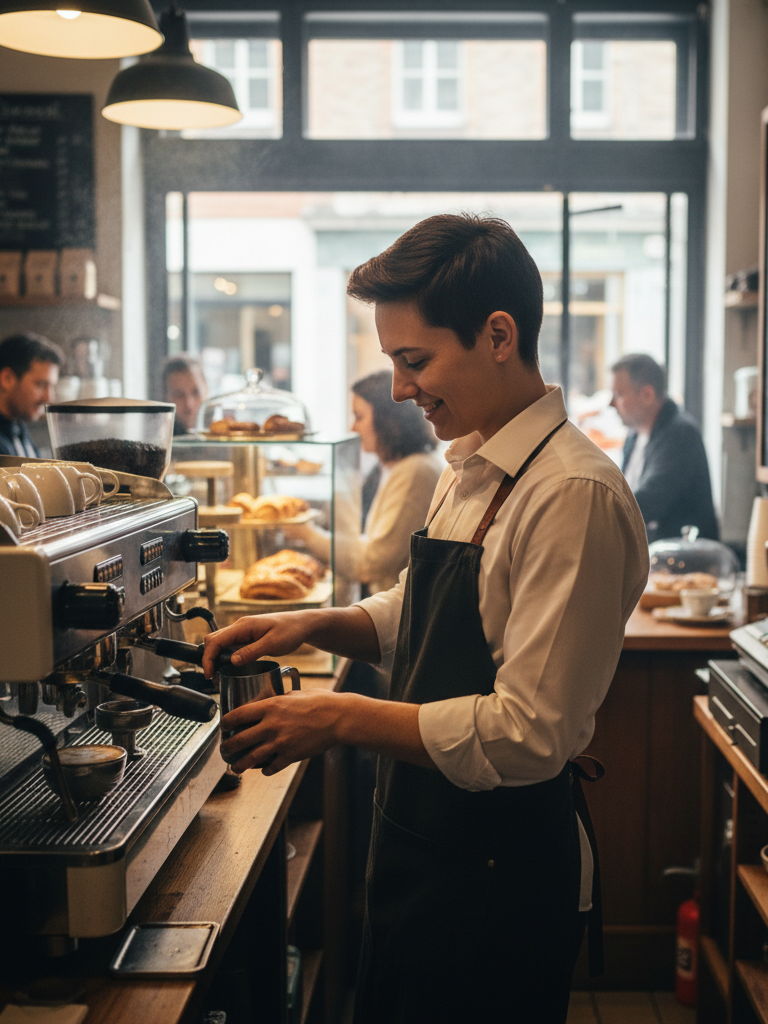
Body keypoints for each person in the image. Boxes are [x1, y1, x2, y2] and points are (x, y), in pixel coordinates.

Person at [201, 214, 648, 1024]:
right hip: (426, 850)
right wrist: (313, 625)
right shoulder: (472, 466)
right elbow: (425, 607)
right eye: (395, 364)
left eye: (416, 361)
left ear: (499, 334)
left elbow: (528, 734)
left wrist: (338, 715)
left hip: (497, 880)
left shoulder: (571, 496)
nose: (403, 389)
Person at [290, 369, 442, 596]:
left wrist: (307, 534)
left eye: (359, 417)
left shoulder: (416, 471)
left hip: (396, 614)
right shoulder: (393, 466)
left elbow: (370, 563)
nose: (353, 428)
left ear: (387, 419)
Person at [610, 352, 719, 543]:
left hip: (684, 559)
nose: (611, 404)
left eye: (618, 395)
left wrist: (598, 514)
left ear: (647, 395)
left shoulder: (680, 434)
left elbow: (648, 502)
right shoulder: (634, 434)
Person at [161, 354, 208, 435]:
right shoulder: (161, 440)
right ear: (167, 397)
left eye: (196, 392)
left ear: (207, 390)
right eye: (179, 395)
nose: (189, 404)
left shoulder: (226, 432)